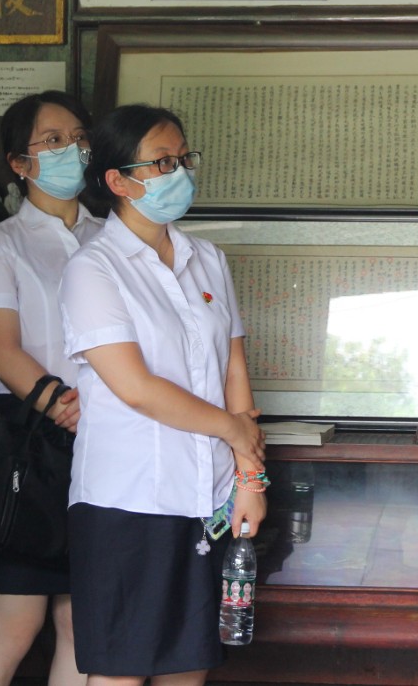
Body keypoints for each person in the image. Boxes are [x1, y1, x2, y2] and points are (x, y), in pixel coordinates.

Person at [59, 104, 267, 686]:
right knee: (121, 672)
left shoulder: (209, 259)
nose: (180, 172)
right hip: (129, 499)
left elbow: (233, 369)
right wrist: (232, 430)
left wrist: (250, 480)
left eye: (183, 158)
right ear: (118, 181)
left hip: (209, 498)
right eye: (163, 162)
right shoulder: (93, 269)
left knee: (188, 667)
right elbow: (136, 387)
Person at [0, 91, 102, 686]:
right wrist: (63, 406)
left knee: (82, 624)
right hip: (26, 442)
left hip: (107, 439)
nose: (73, 149)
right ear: (19, 163)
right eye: (54, 140)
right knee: (12, 627)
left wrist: (100, 411)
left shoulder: (115, 238)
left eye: (79, 137)